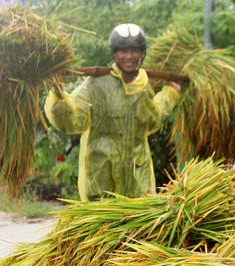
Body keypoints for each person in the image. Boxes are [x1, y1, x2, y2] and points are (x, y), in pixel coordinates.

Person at [44, 23, 181, 201]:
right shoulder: (96, 85)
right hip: (102, 178)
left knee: (139, 227)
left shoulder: (142, 86)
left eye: (135, 50)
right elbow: (75, 120)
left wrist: (170, 94)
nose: (130, 56)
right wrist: (59, 96)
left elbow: (152, 118)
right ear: (114, 53)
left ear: (142, 53)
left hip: (137, 176)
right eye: (123, 51)